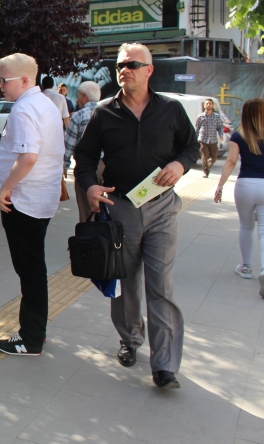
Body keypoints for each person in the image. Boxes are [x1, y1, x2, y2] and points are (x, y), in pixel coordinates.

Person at [75, 43, 199, 389]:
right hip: (121, 209)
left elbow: (190, 147)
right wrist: (89, 186)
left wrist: (180, 164)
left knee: (161, 285)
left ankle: (165, 364)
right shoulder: (103, 112)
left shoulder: (171, 110)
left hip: (161, 207)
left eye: (132, 64)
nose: (124, 69)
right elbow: (83, 157)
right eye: (120, 64)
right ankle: (130, 339)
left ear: (149, 70)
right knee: (126, 282)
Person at [0, 54, 65, 356]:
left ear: (24, 80)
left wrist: (5, 188)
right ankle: (36, 331)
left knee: (30, 270)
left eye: (3, 80)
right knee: (34, 267)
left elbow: (28, 157)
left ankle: (31, 338)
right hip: (40, 199)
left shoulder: (24, 109)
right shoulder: (45, 103)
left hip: (23, 201)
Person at [214, 98, 264, 292]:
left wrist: (220, 186)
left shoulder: (238, 136)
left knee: (246, 226)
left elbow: (231, 162)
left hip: (245, 185)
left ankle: (246, 266)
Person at [63, 81, 102, 223]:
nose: (77, 99)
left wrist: (64, 166)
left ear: (85, 97)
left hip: (85, 169)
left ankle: (89, 240)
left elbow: (69, 145)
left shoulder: (79, 116)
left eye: (78, 96)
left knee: (87, 210)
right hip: (108, 167)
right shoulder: (109, 114)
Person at [195, 98, 225, 178]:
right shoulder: (200, 117)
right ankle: (206, 172)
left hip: (213, 140)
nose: (208, 105)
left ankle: (207, 166)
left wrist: (221, 135)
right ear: (204, 105)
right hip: (203, 140)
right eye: (207, 103)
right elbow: (197, 128)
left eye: (210, 103)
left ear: (212, 105)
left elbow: (220, 127)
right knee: (204, 157)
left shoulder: (216, 117)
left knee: (214, 157)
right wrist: (194, 138)